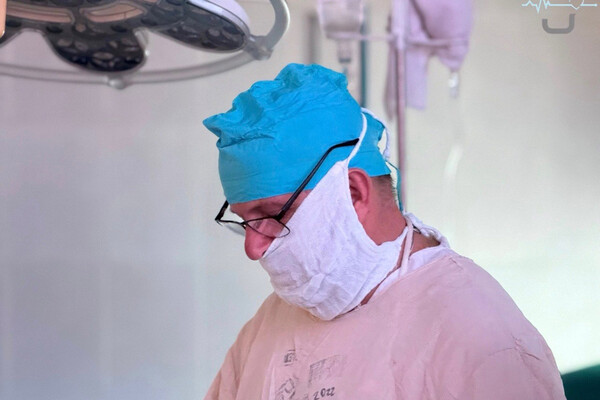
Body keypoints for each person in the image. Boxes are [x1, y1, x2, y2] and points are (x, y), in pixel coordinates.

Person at [202, 63, 566, 400]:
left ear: (354, 193)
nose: (253, 248)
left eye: (271, 215)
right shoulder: (275, 320)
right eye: (245, 221)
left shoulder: (479, 339)